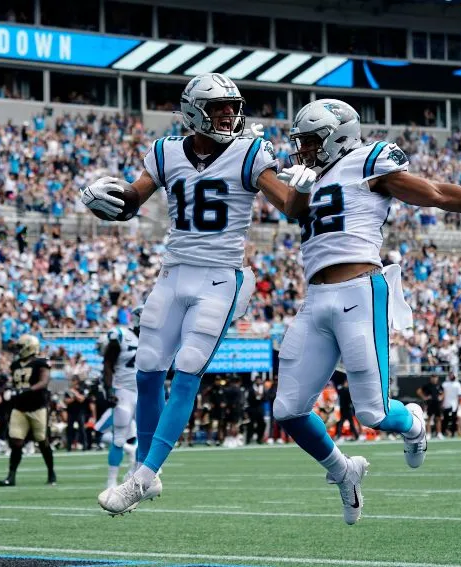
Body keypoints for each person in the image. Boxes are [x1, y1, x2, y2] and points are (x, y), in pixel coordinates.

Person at [271, 99, 461, 524]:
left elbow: (435, 193)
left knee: (374, 413)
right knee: (287, 410)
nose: (303, 149)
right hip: (316, 297)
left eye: (310, 141)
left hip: (359, 291)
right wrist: (295, 186)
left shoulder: (368, 162)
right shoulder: (310, 178)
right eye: (301, 141)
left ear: (337, 137)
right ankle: (343, 471)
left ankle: (414, 424)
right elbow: (291, 207)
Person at [87, 73, 307, 516]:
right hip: (173, 273)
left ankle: (142, 477)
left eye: (232, 106)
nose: (229, 114)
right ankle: (145, 471)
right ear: (193, 111)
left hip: (220, 278)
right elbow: (132, 200)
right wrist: (104, 197)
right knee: (148, 368)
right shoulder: (166, 151)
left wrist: (303, 188)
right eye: (219, 106)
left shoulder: (250, 152)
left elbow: (289, 206)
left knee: (188, 369)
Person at [0, 334, 56, 487]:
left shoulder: (41, 362)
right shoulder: (15, 365)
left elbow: (44, 381)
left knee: (42, 441)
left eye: (20, 347)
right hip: (19, 407)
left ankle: (51, 472)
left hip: (37, 407)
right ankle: (11, 477)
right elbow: (15, 383)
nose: (18, 350)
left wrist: (27, 390)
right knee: (16, 442)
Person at [98, 307, 142, 489]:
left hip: (145, 393)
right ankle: (111, 482)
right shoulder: (122, 336)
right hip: (124, 391)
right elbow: (108, 364)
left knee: (147, 437)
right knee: (118, 438)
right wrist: (109, 390)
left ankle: (136, 475)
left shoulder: (155, 340)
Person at [417, 375, 443, 439]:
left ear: (437, 378)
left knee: (438, 419)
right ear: (431, 378)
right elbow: (419, 391)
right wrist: (424, 397)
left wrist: (441, 397)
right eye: (433, 378)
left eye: (435, 377)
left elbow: (443, 393)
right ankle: (428, 434)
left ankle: (439, 433)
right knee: (429, 419)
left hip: (437, 404)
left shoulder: (439, 385)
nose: (434, 379)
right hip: (430, 404)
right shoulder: (427, 385)